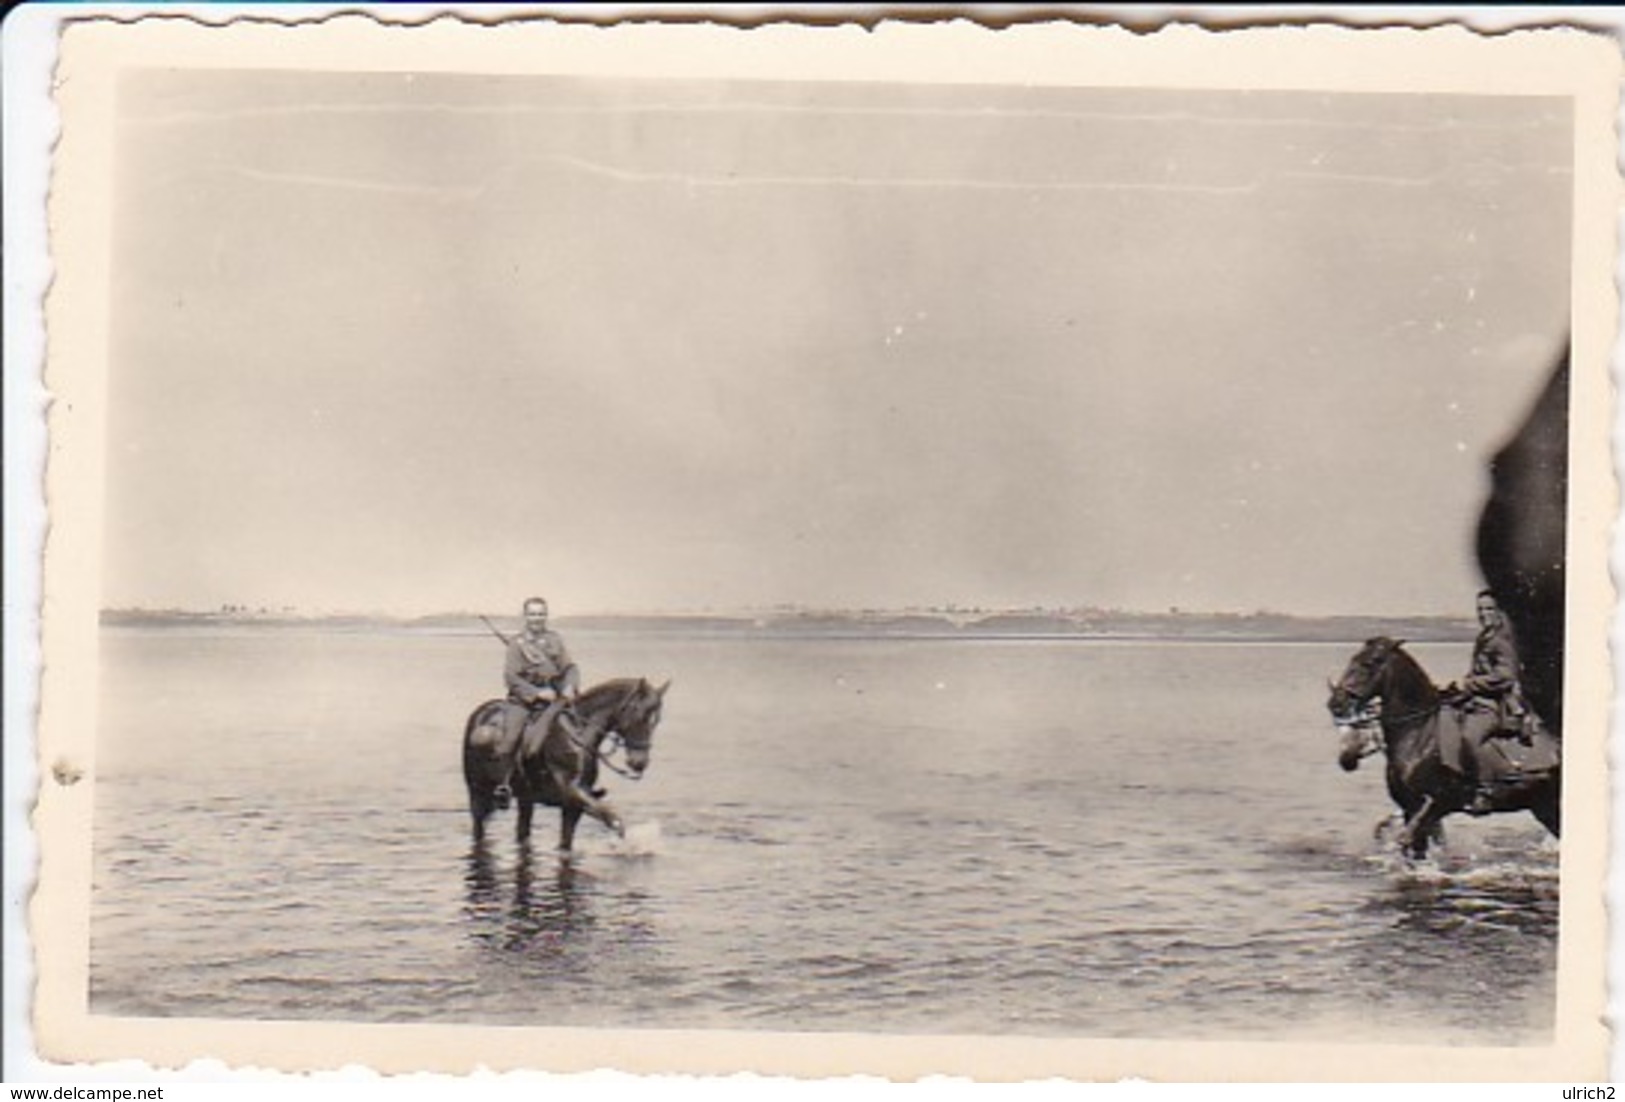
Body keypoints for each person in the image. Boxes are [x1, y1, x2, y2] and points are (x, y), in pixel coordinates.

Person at [1440, 589, 1532, 813]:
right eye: (1480, 609)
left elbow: (1506, 676)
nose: (1483, 614)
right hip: (1478, 699)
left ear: (1499, 611)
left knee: (1470, 736)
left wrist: (1471, 684)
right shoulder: (1485, 637)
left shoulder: (1500, 640)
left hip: (1497, 705)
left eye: (1489, 608)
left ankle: (1485, 791)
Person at [494, 596, 581, 804]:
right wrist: (536, 693)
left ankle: (578, 781)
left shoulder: (554, 640)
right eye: (533, 614)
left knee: (580, 733)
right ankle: (504, 784)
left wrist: (570, 685)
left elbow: (569, 667)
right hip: (523, 702)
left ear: (546, 615)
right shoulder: (517, 644)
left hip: (554, 700)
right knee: (510, 738)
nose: (537, 618)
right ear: (525, 616)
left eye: (541, 614)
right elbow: (511, 677)